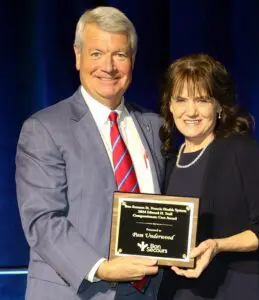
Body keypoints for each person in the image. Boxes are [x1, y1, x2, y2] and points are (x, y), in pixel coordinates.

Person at [15, 6, 164, 300]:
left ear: (132, 59)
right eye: (96, 53)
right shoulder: (44, 129)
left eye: (119, 54)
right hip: (78, 290)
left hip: (150, 291)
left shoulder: (155, 126)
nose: (108, 66)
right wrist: (102, 268)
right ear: (77, 55)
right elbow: (42, 220)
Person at [157, 54, 259, 300]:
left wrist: (218, 245)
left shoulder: (244, 152)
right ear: (170, 106)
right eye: (181, 100)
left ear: (219, 106)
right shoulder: (169, 159)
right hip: (179, 292)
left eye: (202, 100)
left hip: (234, 290)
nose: (190, 111)